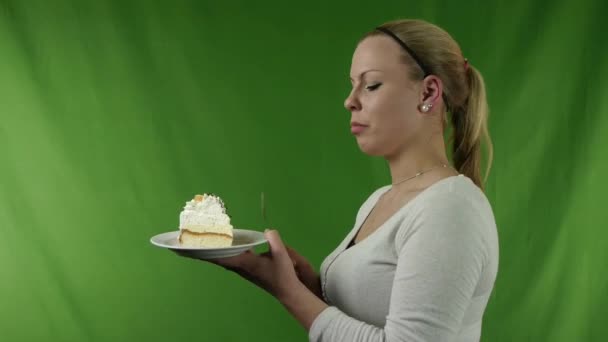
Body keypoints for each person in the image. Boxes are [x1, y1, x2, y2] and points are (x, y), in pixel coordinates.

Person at [211, 18, 499, 342]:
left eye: (371, 85)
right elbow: (367, 313)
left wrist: (290, 293)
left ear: (429, 92)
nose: (350, 100)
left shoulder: (450, 207)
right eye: (352, 85)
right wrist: (305, 284)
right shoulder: (380, 200)